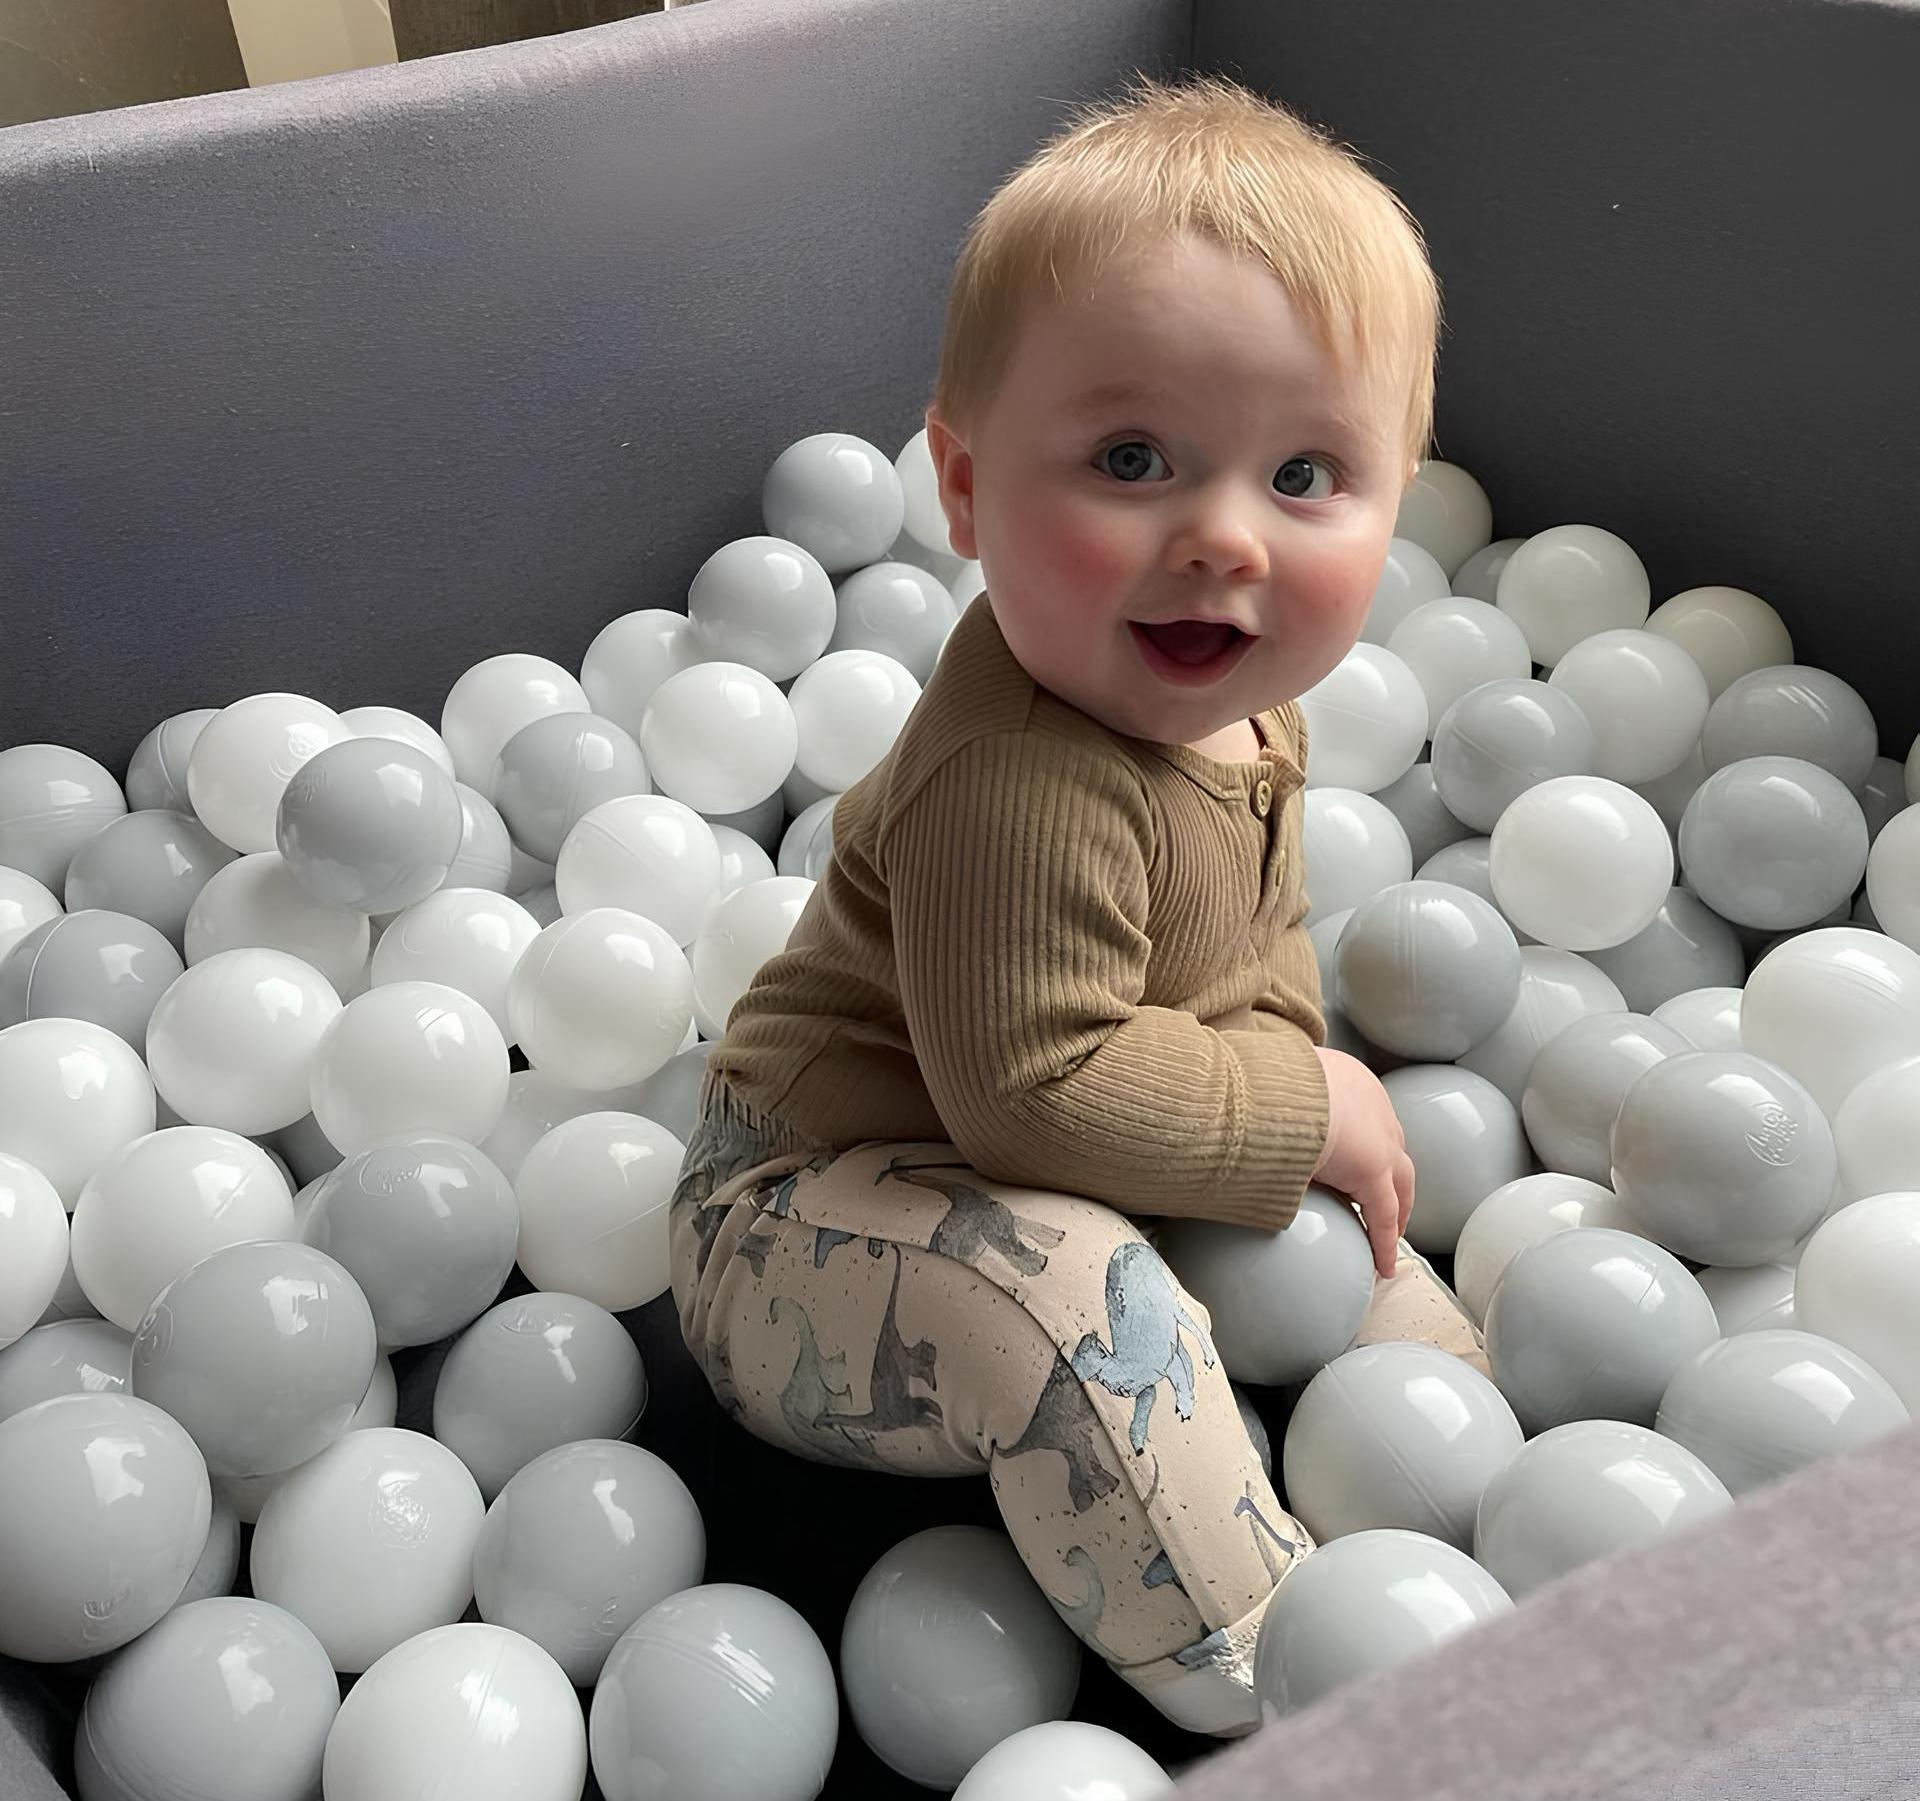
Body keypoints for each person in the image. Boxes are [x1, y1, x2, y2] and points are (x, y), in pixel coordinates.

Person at [669, 69, 1483, 1736]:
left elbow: (1248, 956)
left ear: (1400, 492)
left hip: (1038, 1151)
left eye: (1309, 475)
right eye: (1132, 457)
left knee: (1301, 1200)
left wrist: (1295, 1126)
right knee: (1065, 1300)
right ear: (963, 494)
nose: (1223, 540)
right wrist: (1287, 1108)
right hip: (800, 1218)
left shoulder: (1248, 714)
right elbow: (1035, 1091)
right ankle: (1283, 1676)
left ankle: (1442, 1474)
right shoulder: (1014, 784)